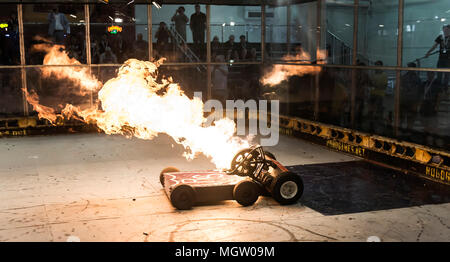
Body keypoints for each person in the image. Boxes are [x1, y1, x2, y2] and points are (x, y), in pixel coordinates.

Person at [425, 24, 450, 92]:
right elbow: (435, 46)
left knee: (447, 75)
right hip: (441, 59)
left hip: (448, 60)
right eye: (444, 29)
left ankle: (445, 89)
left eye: (447, 29)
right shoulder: (440, 37)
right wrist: (428, 52)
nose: (445, 31)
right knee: (439, 74)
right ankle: (439, 89)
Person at [400, 62, 422, 132]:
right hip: (405, 99)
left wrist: (417, 102)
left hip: (412, 100)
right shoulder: (404, 77)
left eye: (410, 67)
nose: (409, 69)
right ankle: (401, 130)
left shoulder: (417, 78)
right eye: (409, 67)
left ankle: (408, 130)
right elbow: (400, 87)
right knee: (403, 117)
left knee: (410, 118)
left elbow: (419, 90)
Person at [368, 60, 388, 132]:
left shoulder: (384, 75)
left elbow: (384, 86)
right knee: (371, 110)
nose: (377, 67)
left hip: (379, 95)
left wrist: (376, 85)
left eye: (378, 65)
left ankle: (378, 125)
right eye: (376, 65)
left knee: (378, 111)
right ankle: (372, 125)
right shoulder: (373, 74)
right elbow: (370, 83)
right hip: (372, 94)